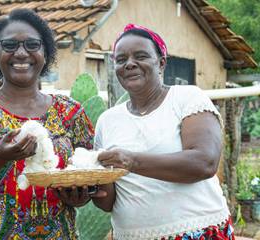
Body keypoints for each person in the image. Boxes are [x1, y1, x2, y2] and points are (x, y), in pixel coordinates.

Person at [0, 9, 94, 239]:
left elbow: (90, 174)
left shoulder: (70, 112)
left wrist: (82, 195)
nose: (21, 53)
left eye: (32, 44)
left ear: (46, 52)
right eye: (9, 45)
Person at [92, 24, 234, 240]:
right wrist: (88, 187)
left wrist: (131, 161)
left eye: (140, 56)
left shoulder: (187, 99)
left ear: (161, 63)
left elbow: (205, 162)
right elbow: (108, 201)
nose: (129, 64)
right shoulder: (107, 121)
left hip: (197, 232)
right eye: (121, 60)